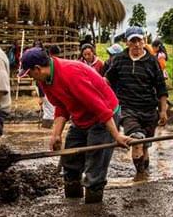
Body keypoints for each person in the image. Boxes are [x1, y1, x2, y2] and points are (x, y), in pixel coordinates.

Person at [19, 47, 130, 204]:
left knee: (94, 168)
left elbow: (99, 107)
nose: (30, 77)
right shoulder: (45, 80)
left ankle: (93, 210)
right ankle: (72, 205)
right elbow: (61, 106)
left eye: (29, 73)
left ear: (37, 69)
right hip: (81, 117)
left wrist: (116, 135)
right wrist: (56, 134)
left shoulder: (71, 74)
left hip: (104, 115)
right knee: (70, 161)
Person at [105, 26, 168, 176]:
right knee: (136, 140)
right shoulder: (119, 60)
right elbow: (107, 81)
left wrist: (163, 111)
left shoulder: (152, 61)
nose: (137, 45)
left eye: (139, 40)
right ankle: (140, 176)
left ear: (144, 41)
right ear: (127, 42)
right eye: (133, 41)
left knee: (145, 145)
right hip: (128, 109)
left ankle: (144, 176)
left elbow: (161, 88)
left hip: (149, 110)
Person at [37, 44, 61, 128]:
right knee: (49, 108)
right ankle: (47, 127)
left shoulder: (51, 63)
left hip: (49, 89)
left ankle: (47, 127)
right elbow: (39, 80)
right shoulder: (47, 64)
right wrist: (41, 95)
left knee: (49, 109)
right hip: (46, 88)